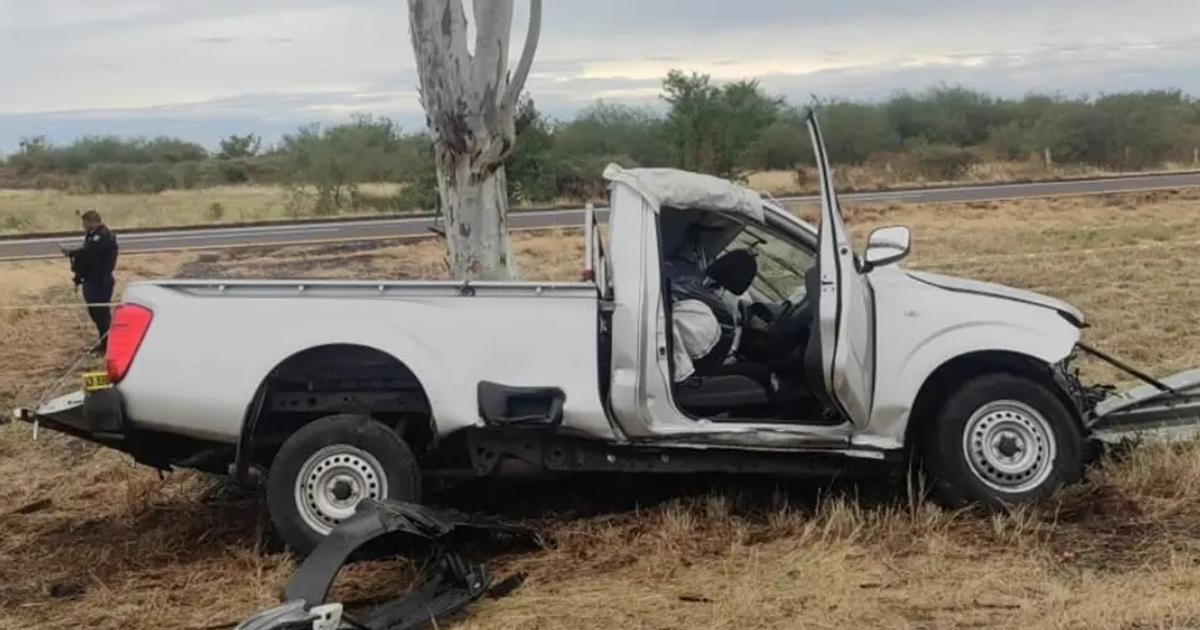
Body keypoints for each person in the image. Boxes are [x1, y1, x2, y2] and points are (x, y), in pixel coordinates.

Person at [60, 209, 119, 354]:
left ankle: (108, 343)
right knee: (95, 312)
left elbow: (89, 252)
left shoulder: (103, 236)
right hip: (92, 279)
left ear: (92, 222)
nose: (83, 226)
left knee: (101, 313)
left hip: (100, 281)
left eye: (85, 223)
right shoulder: (92, 235)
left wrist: (71, 252)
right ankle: (104, 341)